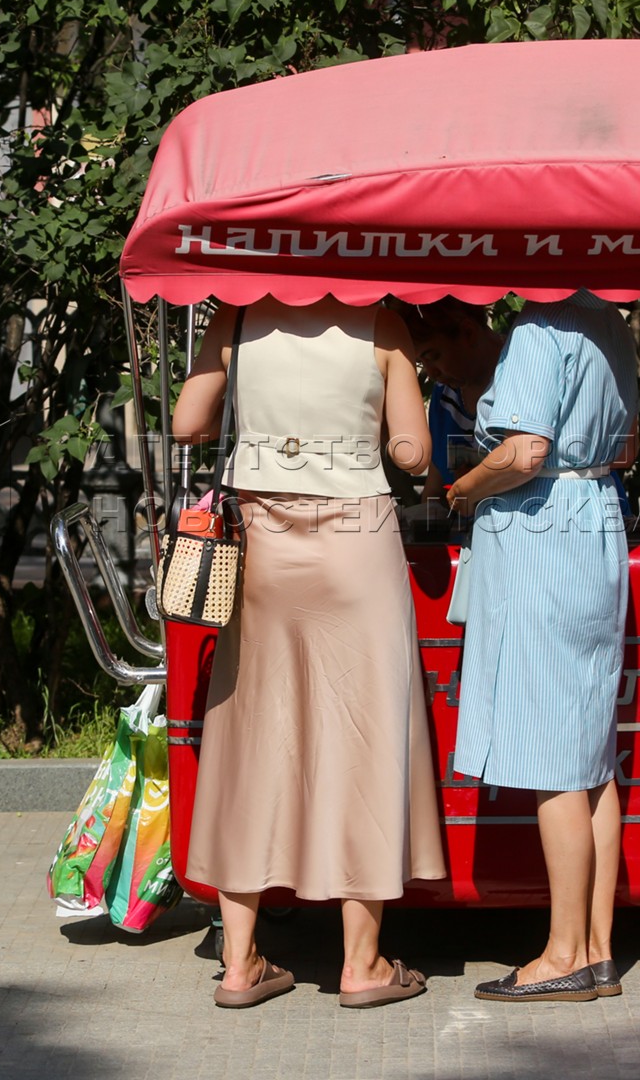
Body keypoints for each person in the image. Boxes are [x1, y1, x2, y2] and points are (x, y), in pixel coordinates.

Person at [171, 296, 446, 1010]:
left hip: (262, 536)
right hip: (357, 537)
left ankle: (239, 963)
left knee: (250, 734)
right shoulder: (383, 324)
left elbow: (187, 424)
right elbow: (412, 452)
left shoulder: (234, 319)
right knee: (366, 735)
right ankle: (362, 964)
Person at [444, 292, 639, 1003]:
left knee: (557, 754)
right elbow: (626, 446)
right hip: (597, 523)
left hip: (543, 530)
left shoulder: (538, 329)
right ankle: (598, 950)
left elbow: (525, 451)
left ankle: (563, 954)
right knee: (592, 756)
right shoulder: (610, 323)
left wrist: (466, 487)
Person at [387, 298, 503, 500]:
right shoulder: (445, 396)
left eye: (433, 357)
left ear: (468, 332)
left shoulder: (520, 380)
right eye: (421, 362)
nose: (431, 374)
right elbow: (435, 487)